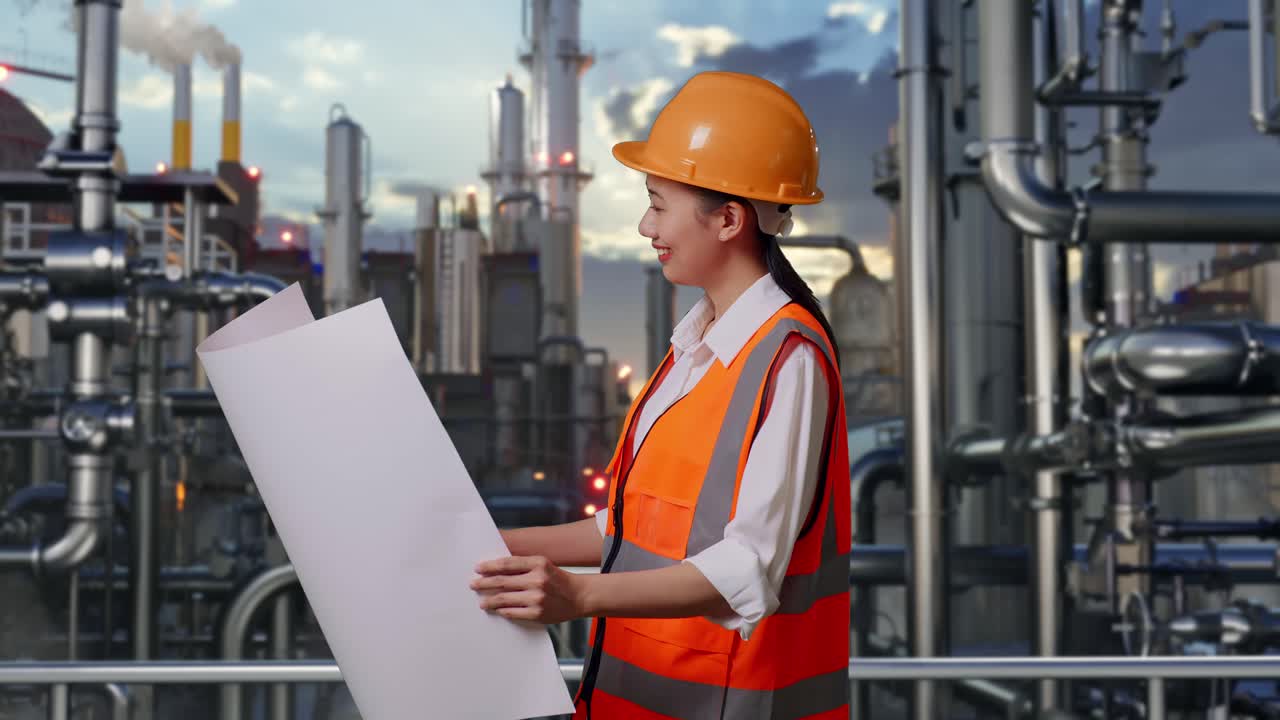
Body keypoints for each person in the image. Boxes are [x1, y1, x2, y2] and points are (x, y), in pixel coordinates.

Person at [471, 71, 852, 719]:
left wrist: (581, 598)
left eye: (658, 201)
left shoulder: (788, 359)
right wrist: (496, 545)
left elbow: (746, 568)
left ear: (729, 218)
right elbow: (630, 527)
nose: (646, 225)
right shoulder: (693, 349)